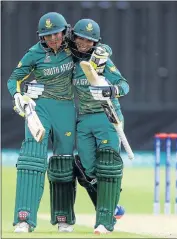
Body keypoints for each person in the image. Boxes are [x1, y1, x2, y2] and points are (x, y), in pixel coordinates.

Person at [7, 12, 77, 233]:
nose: (53, 39)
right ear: (42, 37)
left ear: (64, 31)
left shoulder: (74, 46)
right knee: (31, 160)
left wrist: (104, 53)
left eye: (56, 34)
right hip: (40, 108)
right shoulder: (35, 52)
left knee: (64, 162)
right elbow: (14, 78)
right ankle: (24, 218)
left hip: (65, 107)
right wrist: (18, 95)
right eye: (48, 36)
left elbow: (96, 48)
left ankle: (63, 217)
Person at [68, 19, 129, 234]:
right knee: (88, 168)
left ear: (96, 43)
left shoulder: (102, 60)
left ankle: (106, 217)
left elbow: (124, 85)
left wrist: (110, 90)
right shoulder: (70, 60)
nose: (84, 43)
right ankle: (113, 206)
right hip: (84, 118)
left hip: (107, 116)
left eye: (89, 40)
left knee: (108, 166)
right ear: (73, 37)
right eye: (80, 38)